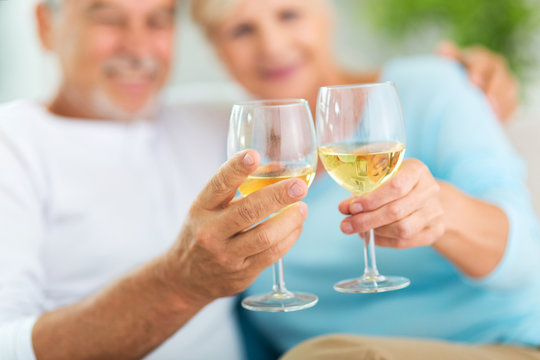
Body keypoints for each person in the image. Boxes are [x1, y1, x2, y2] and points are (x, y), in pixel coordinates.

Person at [191, 0, 540, 358]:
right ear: (216, 48)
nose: (273, 46)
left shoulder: (430, 88)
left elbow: (527, 261)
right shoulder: (227, 159)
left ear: (328, 16)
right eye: (241, 31)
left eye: (289, 15)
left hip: (499, 344)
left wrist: (442, 213)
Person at [0, 0, 311, 359]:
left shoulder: (221, 121)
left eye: (157, 21)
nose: (139, 47)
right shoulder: (12, 145)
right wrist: (182, 283)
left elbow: (325, 141)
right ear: (45, 25)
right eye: (109, 19)